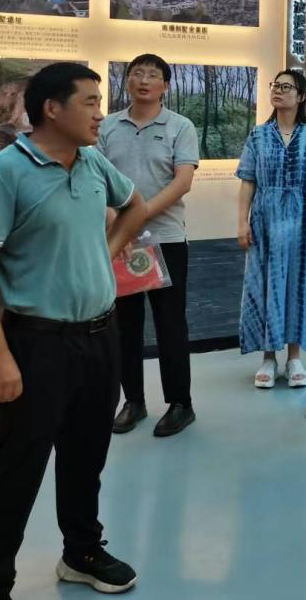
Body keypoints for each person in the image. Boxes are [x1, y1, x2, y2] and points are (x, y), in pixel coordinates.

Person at [0, 62, 148, 599]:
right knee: (17, 468)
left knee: (87, 455)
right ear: (51, 108)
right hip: (36, 342)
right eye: (90, 102)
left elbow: (134, 207)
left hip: (100, 336)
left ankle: (81, 551)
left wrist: (105, 252)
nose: (100, 113)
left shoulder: (92, 163)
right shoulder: (2, 174)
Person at [99, 54, 200, 438]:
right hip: (120, 242)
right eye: (137, 73)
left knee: (170, 325)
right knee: (125, 326)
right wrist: (119, 223)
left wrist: (136, 216)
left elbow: (182, 181)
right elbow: (97, 180)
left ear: (165, 86)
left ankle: (180, 404)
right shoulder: (108, 126)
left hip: (167, 239)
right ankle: (134, 401)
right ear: (127, 81)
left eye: (152, 75)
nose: (143, 80)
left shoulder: (180, 126)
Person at [236, 69, 306, 388]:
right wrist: (241, 221)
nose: (279, 91)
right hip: (265, 219)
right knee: (264, 284)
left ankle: (294, 358)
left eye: (287, 87)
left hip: (303, 220)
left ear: (301, 96)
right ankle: (268, 357)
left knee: (299, 284)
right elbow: (248, 180)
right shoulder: (258, 135)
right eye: (276, 86)